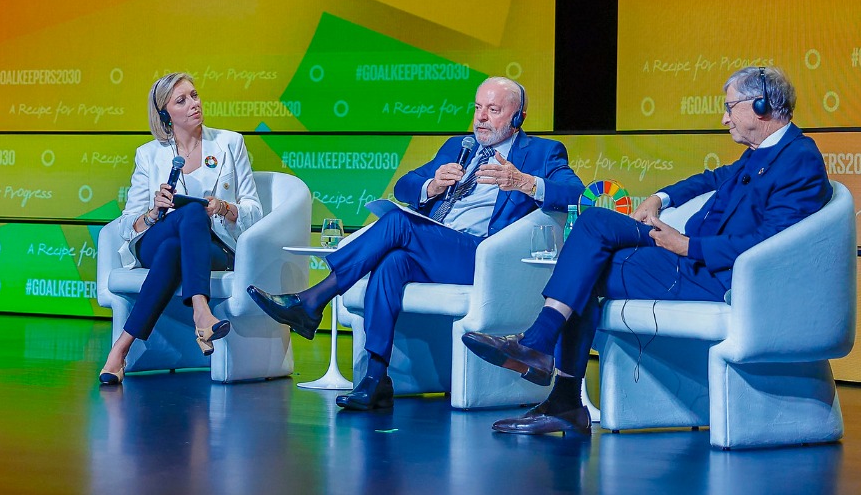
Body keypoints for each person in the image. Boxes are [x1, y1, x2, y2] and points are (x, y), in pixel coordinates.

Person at [463, 65, 831, 436]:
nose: (724, 118)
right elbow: (713, 178)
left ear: (761, 106)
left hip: (711, 274)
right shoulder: (759, 152)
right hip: (686, 258)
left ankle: (557, 385)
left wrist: (687, 245)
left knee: (588, 267)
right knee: (594, 224)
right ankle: (546, 361)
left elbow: (772, 244)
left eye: (730, 107)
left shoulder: (799, 159)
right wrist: (660, 197)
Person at [248, 76, 584, 411]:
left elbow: (575, 192)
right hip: (438, 246)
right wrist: (433, 186)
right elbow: (405, 186)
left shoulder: (542, 152)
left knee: (397, 223)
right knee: (391, 262)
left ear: (518, 118)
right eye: (478, 108)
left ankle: (313, 299)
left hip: (483, 255)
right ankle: (376, 378)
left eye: (493, 110)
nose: (481, 118)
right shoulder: (459, 147)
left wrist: (524, 181)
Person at [98, 72, 262, 385]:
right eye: (181, 100)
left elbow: (254, 212)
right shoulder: (149, 154)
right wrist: (154, 212)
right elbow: (126, 224)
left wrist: (224, 208)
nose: (194, 104)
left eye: (195, 95)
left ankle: (120, 350)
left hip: (214, 248)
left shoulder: (230, 143)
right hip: (155, 238)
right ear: (165, 114)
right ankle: (202, 312)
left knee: (185, 234)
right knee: (189, 217)